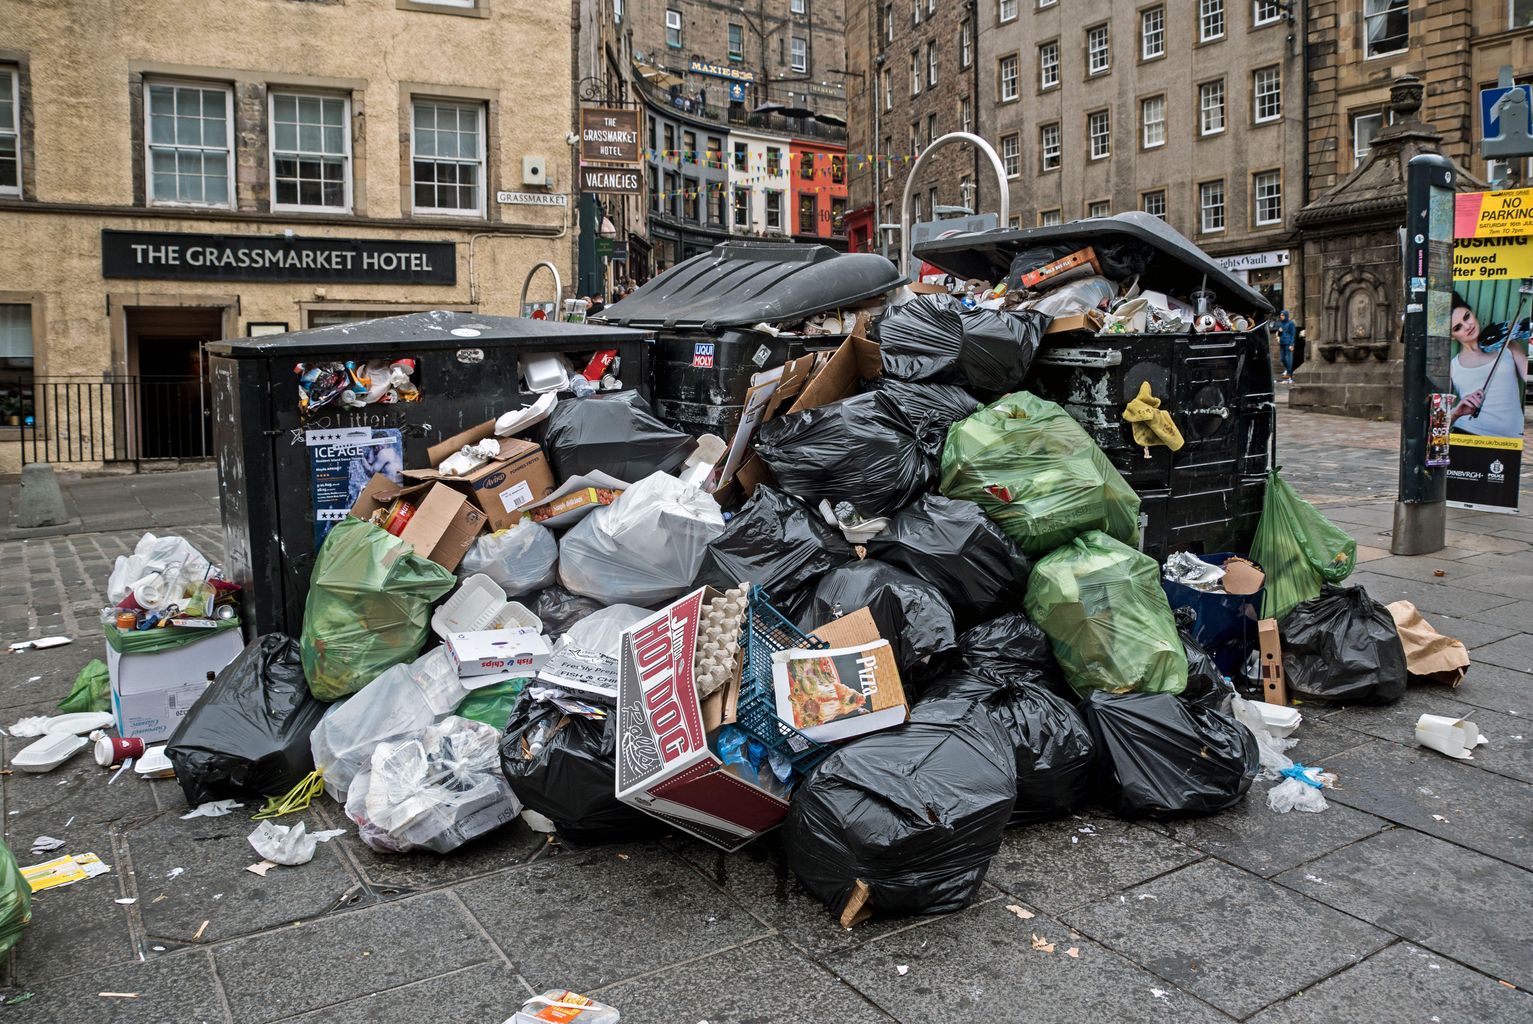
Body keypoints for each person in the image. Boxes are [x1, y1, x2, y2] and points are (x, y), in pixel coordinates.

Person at [1449, 291, 1529, 438]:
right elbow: (1439, 416)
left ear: (1472, 312)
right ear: (1451, 336)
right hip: (1468, 434)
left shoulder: (1507, 343)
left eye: (1467, 317)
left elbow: (1528, 376)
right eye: (1457, 328)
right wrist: (1456, 413)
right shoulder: (1452, 366)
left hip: (1511, 438)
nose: (1467, 326)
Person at [1275, 310, 1297, 383]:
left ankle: (1289, 374)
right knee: (1282, 359)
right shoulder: (1280, 323)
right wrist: (1279, 331)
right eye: (1281, 315)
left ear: (1286, 316)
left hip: (1288, 343)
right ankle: (1288, 371)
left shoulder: (1291, 323)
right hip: (1282, 343)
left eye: (1283, 315)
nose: (1281, 316)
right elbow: (1278, 334)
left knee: (1288, 359)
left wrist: (1291, 344)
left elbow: (1293, 334)